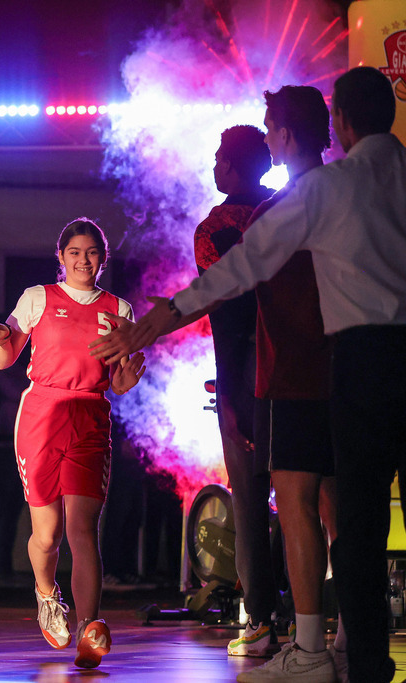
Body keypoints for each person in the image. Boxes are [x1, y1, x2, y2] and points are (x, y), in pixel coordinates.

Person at [90, 66, 406, 683]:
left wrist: (156, 322)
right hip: (369, 359)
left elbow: (241, 271)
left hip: (354, 362)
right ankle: (339, 650)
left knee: (358, 525)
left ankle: (347, 658)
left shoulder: (324, 190)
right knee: (347, 510)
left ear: (339, 123)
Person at [0, 218, 144, 669]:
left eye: (91, 252)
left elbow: (121, 378)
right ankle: (47, 595)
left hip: (90, 416)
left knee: (82, 531)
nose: (83, 260)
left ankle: (90, 628)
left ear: (102, 259)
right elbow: (6, 356)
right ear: (61, 257)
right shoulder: (38, 298)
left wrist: (125, 381)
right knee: (47, 536)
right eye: (74, 252)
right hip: (42, 416)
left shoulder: (120, 309)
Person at [235, 85, 343, 683]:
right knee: (342, 507)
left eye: (271, 127)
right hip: (349, 370)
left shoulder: (278, 211)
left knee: (298, 507)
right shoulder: (353, 197)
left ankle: (309, 650)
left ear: (290, 135)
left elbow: (232, 283)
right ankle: (350, 632)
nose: (268, 136)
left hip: (295, 375)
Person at [195, 125, 279, 659]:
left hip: (246, 376)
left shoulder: (216, 226)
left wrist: (228, 398)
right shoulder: (289, 211)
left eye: (221, 157)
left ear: (238, 165)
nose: (214, 166)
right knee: (310, 497)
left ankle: (260, 618)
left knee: (249, 500)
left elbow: (224, 310)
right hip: (298, 371)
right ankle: (321, 617)